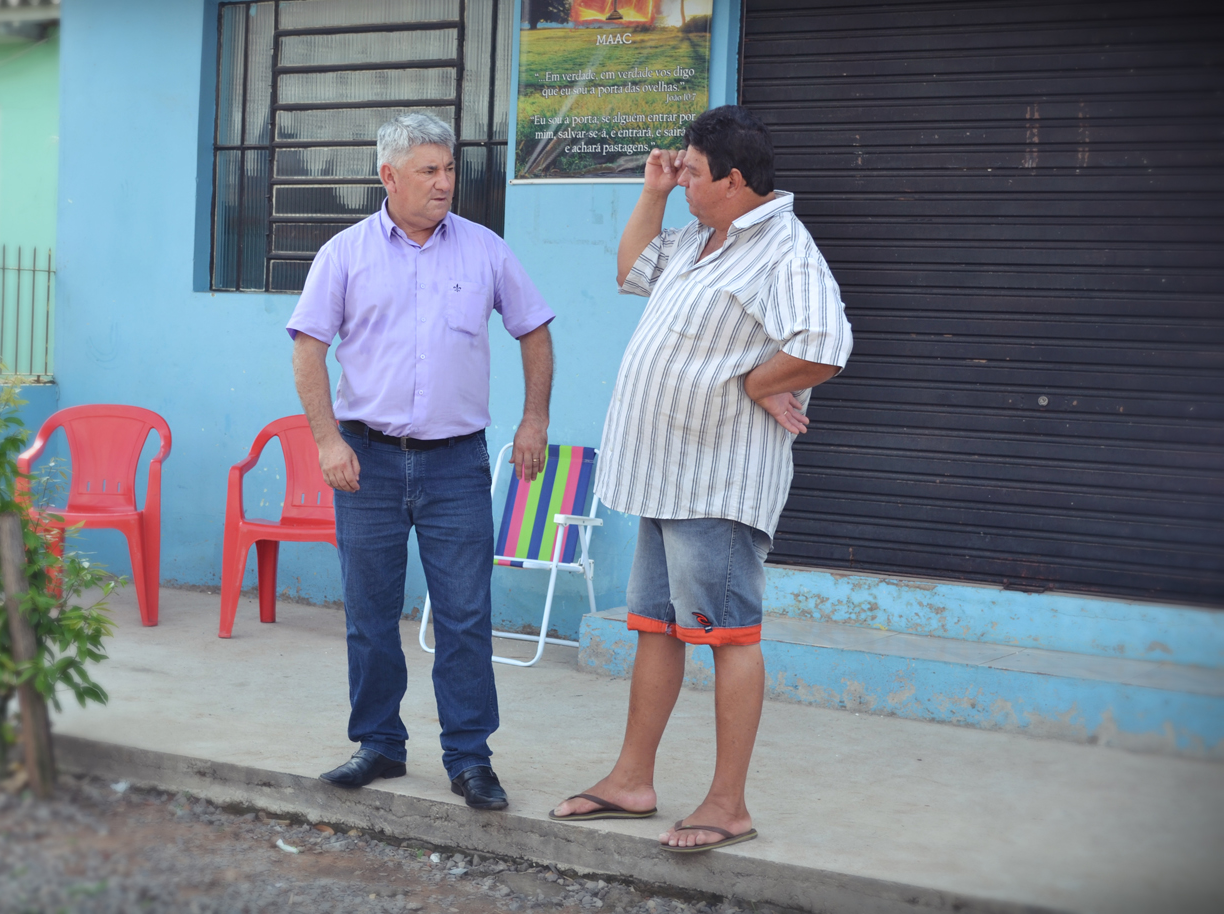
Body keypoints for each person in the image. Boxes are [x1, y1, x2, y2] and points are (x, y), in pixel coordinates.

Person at [548, 106, 852, 850]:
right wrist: (652, 193)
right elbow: (631, 271)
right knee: (656, 626)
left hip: (718, 479)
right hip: (662, 473)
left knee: (729, 635)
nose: (680, 179)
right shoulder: (697, 238)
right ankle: (631, 780)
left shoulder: (784, 248)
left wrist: (756, 382)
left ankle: (727, 805)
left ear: (733, 179)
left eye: (687, 172)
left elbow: (825, 345)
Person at [287, 113, 556, 811]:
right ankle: (378, 745)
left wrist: (534, 419)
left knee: (465, 615)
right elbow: (308, 348)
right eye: (429, 170)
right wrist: (326, 440)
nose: (444, 183)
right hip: (366, 463)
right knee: (369, 615)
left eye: (448, 168)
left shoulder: (485, 251)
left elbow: (534, 329)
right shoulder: (344, 254)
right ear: (390, 176)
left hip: (455, 466)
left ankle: (470, 759)